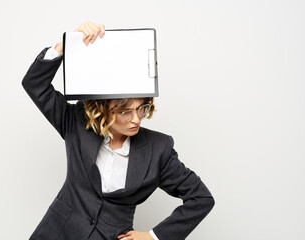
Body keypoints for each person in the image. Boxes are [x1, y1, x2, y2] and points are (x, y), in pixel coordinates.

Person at [22, 21, 215, 240]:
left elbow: (201, 198)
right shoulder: (76, 123)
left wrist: (153, 236)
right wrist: (65, 46)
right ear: (103, 109)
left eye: (141, 108)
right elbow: (34, 85)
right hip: (57, 233)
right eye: (125, 112)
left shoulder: (158, 150)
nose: (136, 119)